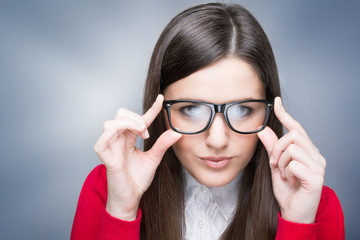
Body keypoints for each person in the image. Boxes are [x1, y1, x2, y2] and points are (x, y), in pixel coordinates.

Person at [70, 3, 344, 240]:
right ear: (160, 110)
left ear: (270, 110)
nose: (217, 140)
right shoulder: (108, 190)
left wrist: (297, 225)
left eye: (242, 110)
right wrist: (122, 212)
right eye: (191, 109)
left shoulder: (316, 206)